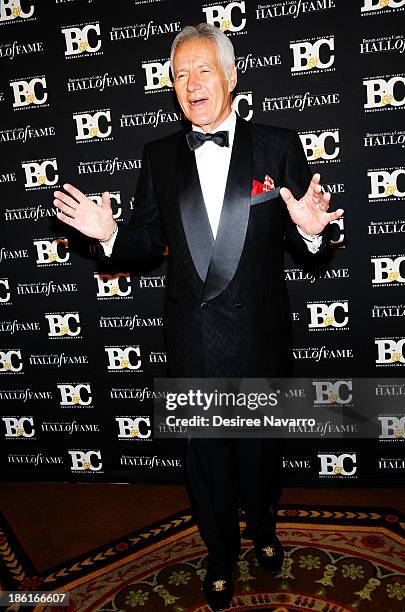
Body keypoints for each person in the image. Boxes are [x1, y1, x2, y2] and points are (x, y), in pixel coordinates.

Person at [53, 23, 343, 611]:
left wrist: (312, 235)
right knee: (205, 462)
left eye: (202, 70)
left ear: (231, 77)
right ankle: (218, 551)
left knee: (261, 458)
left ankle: (263, 527)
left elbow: (301, 226)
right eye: (179, 75)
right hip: (195, 341)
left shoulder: (276, 146)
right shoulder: (158, 155)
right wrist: (110, 234)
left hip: (260, 340)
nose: (191, 84)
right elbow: (149, 238)